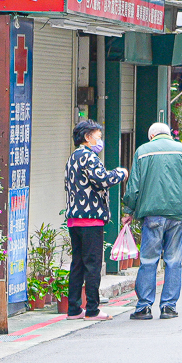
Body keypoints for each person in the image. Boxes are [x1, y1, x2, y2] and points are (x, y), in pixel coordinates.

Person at [123, 121, 182, 321]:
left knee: (149, 260)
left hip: (152, 213)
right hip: (179, 213)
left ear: (151, 136)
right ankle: (169, 307)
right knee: (174, 261)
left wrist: (128, 210)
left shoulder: (143, 151)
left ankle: (144, 307)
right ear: (169, 134)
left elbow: (134, 186)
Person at [63, 119, 128, 320]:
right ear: (87, 137)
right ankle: (92, 309)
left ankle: (73, 308)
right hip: (90, 219)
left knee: (78, 264)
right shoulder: (89, 157)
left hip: (74, 218)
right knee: (93, 265)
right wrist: (120, 173)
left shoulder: (73, 157)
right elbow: (102, 180)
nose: (100, 141)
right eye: (98, 137)